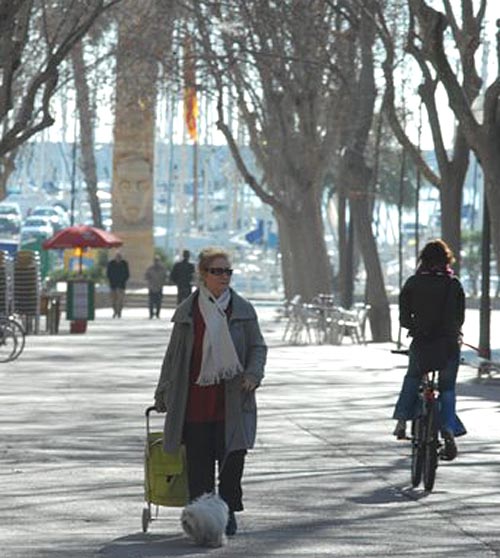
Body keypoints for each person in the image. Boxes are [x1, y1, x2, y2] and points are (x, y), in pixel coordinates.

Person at [154, 247, 267, 536]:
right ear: (203, 275)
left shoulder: (242, 310)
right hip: (194, 403)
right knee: (199, 471)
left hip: (232, 402)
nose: (224, 276)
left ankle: (226, 513)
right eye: (217, 271)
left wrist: (253, 375)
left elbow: (258, 347)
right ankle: (202, 523)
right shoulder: (188, 313)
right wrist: (162, 392)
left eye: (228, 271)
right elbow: (173, 357)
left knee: (231, 466)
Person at [392, 239, 466, 461]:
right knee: (447, 389)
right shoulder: (454, 284)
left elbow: (404, 316)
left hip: (422, 343)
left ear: (423, 260)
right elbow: (459, 317)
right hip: (448, 345)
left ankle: (402, 421)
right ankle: (449, 430)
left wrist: (415, 327)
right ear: (447, 260)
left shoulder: (413, 283)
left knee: (413, 378)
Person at [106, 252, 130, 318]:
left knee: (120, 300)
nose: (118, 258)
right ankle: (115, 311)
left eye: (119, 257)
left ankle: (119, 312)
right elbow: (108, 273)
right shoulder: (111, 264)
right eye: (117, 257)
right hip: (113, 284)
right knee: (113, 300)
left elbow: (127, 274)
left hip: (121, 285)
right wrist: (111, 281)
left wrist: (123, 281)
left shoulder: (124, 264)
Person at [144, 255, 167, 319]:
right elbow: (146, 276)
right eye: (155, 260)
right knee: (151, 302)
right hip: (152, 287)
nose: (156, 262)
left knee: (158, 302)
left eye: (157, 260)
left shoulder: (163, 269)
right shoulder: (150, 269)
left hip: (159, 287)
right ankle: (151, 314)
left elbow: (165, 277)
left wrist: (162, 283)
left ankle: (157, 314)